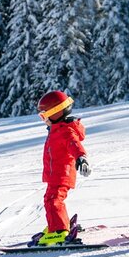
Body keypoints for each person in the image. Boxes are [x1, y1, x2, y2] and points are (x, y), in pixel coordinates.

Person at [32, 90, 91, 247]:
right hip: (56, 174)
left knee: (53, 200)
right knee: (51, 200)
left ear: (55, 113)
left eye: (44, 116)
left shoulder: (65, 131)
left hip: (61, 174)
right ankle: (56, 225)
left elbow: (75, 145)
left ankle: (59, 231)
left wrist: (81, 158)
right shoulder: (57, 129)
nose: (43, 120)